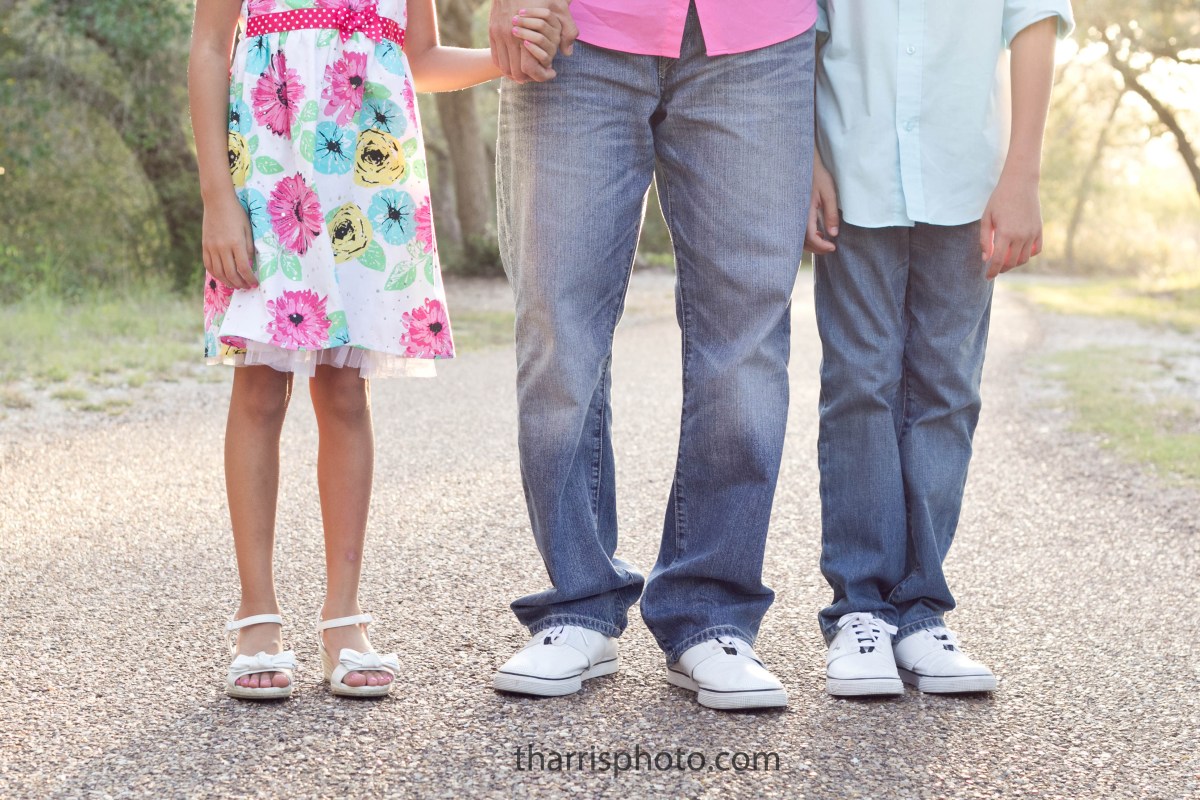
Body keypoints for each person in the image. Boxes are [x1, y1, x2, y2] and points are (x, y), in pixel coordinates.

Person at [189, 0, 562, 700]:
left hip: (366, 183)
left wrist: (501, 58)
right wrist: (217, 197)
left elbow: (419, 59)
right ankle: (256, 618)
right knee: (261, 387)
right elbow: (211, 48)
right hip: (270, 175)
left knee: (344, 391)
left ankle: (343, 620)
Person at [488, 0, 818, 710]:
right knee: (557, 322)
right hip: (577, 28)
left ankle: (713, 613)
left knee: (747, 339)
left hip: (759, 36)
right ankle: (578, 599)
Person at [806, 0, 1074, 697]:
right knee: (859, 384)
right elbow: (801, 32)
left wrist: (1023, 175)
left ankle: (921, 612)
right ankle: (861, 612)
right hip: (854, 169)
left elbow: (1035, 24)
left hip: (966, 179)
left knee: (947, 390)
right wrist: (804, 158)